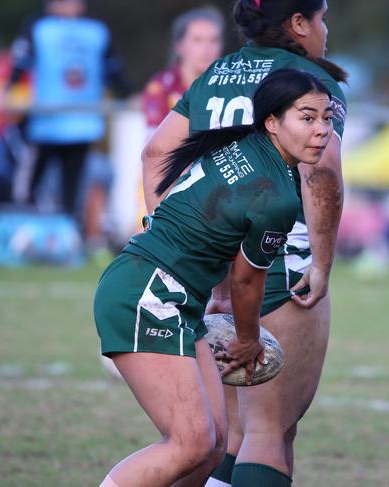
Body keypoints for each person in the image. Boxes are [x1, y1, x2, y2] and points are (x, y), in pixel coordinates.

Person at [94, 69, 334, 487]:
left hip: (167, 294)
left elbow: (221, 240)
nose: (322, 131)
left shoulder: (244, 146)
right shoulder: (277, 195)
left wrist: (219, 301)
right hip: (148, 293)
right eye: (307, 117)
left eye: (327, 118)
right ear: (272, 122)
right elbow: (246, 281)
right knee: (189, 444)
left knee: (212, 446)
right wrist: (248, 340)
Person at [142, 1, 348, 485]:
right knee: (268, 431)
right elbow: (320, 171)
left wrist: (170, 231)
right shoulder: (308, 80)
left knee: (231, 433)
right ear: (298, 23)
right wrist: (320, 262)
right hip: (274, 255)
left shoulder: (217, 73)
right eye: (320, 18)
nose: (325, 28)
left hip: (206, 258)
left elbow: (155, 152)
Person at [6, 0, 131, 220]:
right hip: (45, 122)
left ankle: (67, 237)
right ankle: (20, 229)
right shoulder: (39, 26)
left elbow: (112, 68)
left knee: (72, 188)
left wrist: (129, 95)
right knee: (31, 185)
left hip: (82, 122)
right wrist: (8, 89)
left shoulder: (96, 29)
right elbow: (20, 61)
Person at [142, 7, 224, 130]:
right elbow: (155, 141)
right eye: (197, 40)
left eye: (214, 40)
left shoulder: (233, 84)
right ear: (179, 46)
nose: (207, 48)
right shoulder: (162, 86)